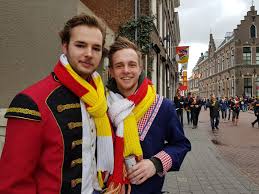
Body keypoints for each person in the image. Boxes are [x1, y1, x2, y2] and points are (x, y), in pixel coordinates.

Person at [0, 14, 112, 194]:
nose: (89, 54)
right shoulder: (31, 102)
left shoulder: (99, 96)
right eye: (81, 45)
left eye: (96, 48)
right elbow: (14, 184)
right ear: (65, 46)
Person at [105, 37, 191, 194]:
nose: (126, 70)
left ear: (140, 68)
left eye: (132, 64)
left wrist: (156, 164)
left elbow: (181, 145)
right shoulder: (101, 106)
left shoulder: (163, 107)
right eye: (119, 66)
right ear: (111, 71)